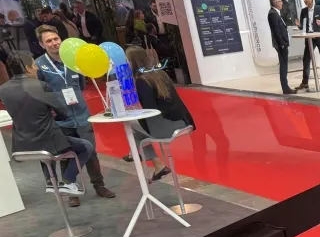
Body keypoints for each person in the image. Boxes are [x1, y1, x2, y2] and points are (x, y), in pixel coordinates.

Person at [34, 24, 114, 198]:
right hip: (61, 120)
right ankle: (72, 193)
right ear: (42, 44)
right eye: (49, 41)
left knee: (91, 153)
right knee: (66, 156)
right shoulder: (39, 65)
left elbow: (82, 85)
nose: (54, 43)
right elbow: (40, 92)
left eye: (56, 39)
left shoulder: (73, 60)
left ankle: (99, 185)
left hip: (82, 115)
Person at [0, 57, 93, 206]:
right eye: (34, 65)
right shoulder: (40, 86)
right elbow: (62, 112)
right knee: (86, 146)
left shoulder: (3, 89)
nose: (37, 68)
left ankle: (50, 180)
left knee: (46, 147)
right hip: (49, 141)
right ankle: (68, 181)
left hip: (23, 144)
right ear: (27, 68)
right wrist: (53, 114)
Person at [125, 46, 196, 181]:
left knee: (132, 128)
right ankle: (137, 154)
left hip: (166, 126)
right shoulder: (160, 74)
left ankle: (150, 160)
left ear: (132, 62)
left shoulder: (142, 80)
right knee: (136, 130)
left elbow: (150, 111)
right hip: (183, 121)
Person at [296, 0, 320, 91]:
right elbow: (303, 27)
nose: (305, 1)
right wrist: (299, 25)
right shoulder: (303, 11)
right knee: (306, 59)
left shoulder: (319, 9)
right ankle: (305, 83)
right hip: (309, 39)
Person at [268, 0, 296, 95]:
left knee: (284, 65)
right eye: (280, 1)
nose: (282, 3)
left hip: (283, 43)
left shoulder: (276, 13)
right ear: (276, 3)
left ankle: (286, 87)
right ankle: (285, 88)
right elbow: (276, 31)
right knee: (283, 66)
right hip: (281, 45)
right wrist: (282, 44)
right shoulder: (273, 14)